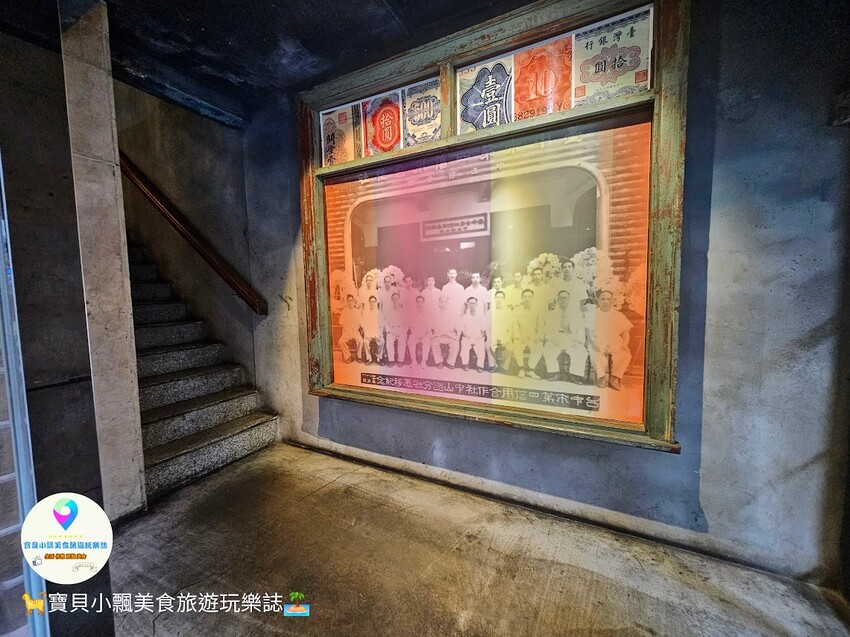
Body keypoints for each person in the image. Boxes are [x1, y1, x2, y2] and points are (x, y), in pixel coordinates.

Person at [542, 290, 589, 383]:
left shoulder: (577, 313)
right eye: (561, 298)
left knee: (581, 351)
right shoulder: (552, 313)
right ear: (557, 300)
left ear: (569, 300)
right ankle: (554, 372)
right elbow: (547, 329)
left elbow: (580, 329)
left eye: (565, 298)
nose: (563, 300)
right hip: (556, 336)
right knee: (548, 349)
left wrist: (578, 341)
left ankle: (574, 375)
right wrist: (552, 339)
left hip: (572, 337)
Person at [590, 290, 633, 391]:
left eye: (608, 299)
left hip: (614, 340)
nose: (606, 301)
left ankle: (614, 377)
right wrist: (593, 342)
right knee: (595, 353)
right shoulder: (593, 314)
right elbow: (588, 331)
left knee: (625, 354)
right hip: (597, 340)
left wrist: (625, 344)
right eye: (603, 299)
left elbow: (625, 332)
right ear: (598, 300)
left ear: (612, 301)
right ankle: (601, 377)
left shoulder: (618, 315)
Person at [512, 289, 544, 379]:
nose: (527, 299)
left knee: (539, 347)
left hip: (533, 337)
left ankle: (530, 370)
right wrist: (518, 336)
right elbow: (515, 325)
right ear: (522, 298)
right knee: (517, 345)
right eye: (525, 297)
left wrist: (537, 337)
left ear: (532, 298)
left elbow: (540, 325)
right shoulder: (517, 310)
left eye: (529, 297)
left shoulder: (537, 310)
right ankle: (521, 369)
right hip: (521, 336)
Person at [429, 295, 460, 369]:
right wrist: (431, 335)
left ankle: (450, 362)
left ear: (448, 303)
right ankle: (439, 361)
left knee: (455, 344)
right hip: (439, 335)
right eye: (442, 301)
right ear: (439, 303)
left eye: (445, 302)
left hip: (450, 336)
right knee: (434, 342)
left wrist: (457, 337)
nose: (443, 303)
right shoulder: (435, 314)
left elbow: (458, 328)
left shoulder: (452, 315)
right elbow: (429, 327)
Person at [459, 297, 489, 371]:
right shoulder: (464, 317)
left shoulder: (481, 317)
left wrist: (479, 337)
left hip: (478, 338)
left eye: (473, 303)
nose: (472, 305)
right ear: (468, 305)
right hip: (467, 337)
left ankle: (480, 366)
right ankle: (465, 364)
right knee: (464, 344)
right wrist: (467, 336)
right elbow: (462, 331)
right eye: (470, 303)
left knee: (481, 346)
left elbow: (484, 331)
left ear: (476, 305)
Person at [488, 290, 514, 373]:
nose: (499, 299)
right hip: (493, 335)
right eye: (497, 297)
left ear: (504, 299)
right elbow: (487, 327)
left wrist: (506, 339)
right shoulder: (490, 311)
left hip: (504, 336)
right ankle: (494, 365)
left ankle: (504, 367)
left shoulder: (508, 312)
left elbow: (510, 328)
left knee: (510, 347)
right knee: (488, 345)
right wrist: (491, 338)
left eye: (501, 297)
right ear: (494, 299)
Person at [406, 295, 431, 370]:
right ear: (416, 303)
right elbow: (411, 327)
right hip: (415, 334)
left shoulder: (427, 313)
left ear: (423, 303)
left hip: (424, 334)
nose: (419, 303)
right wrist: (416, 334)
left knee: (427, 341)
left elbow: (428, 326)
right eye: (418, 302)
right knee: (410, 341)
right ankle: (414, 361)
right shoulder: (412, 313)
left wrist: (425, 333)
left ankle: (424, 361)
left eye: (421, 302)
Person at [383, 292, 407, 366]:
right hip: (391, 330)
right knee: (389, 342)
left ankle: (400, 360)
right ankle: (391, 360)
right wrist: (389, 331)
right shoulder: (388, 311)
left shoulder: (403, 310)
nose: (395, 300)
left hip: (400, 330)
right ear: (391, 300)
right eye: (394, 299)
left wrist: (403, 331)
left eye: (397, 299)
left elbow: (406, 323)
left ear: (399, 300)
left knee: (402, 342)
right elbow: (386, 322)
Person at [337, 294, 363, 364]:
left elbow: (359, 324)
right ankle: (348, 356)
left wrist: (355, 331)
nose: (350, 302)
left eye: (351, 300)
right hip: (346, 331)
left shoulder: (357, 311)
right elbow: (341, 323)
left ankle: (358, 356)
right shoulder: (344, 311)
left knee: (360, 341)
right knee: (341, 341)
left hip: (355, 331)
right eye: (349, 301)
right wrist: (347, 332)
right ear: (347, 302)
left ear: (354, 301)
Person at [359, 295, 383, 364]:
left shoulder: (379, 313)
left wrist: (377, 334)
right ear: (369, 303)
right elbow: (363, 325)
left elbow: (381, 325)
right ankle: (369, 358)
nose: (372, 303)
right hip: (368, 333)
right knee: (365, 341)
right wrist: (368, 334)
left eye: (374, 302)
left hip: (376, 333)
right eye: (371, 302)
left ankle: (379, 358)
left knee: (382, 341)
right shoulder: (366, 313)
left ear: (376, 302)